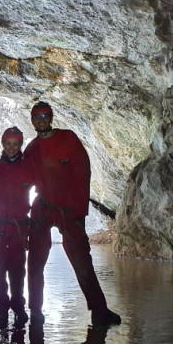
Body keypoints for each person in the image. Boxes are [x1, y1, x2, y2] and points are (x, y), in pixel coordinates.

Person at [24, 102, 122, 328]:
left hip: (68, 208)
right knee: (35, 260)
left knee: (81, 259)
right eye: (36, 116)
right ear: (32, 120)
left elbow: (82, 173)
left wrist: (79, 212)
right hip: (44, 206)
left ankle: (99, 310)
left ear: (50, 118)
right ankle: (35, 311)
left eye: (44, 116)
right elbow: (22, 179)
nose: (40, 120)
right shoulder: (31, 149)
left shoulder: (68, 139)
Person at [0, 126, 34, 329]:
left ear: (20, 145)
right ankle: (2, 309)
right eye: (8, 143)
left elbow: (46, 187)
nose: (12, 147)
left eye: (15, 144)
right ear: (2, 144)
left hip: (19, 227)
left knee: (17, 271)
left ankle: (18, 307)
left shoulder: (29, 169)